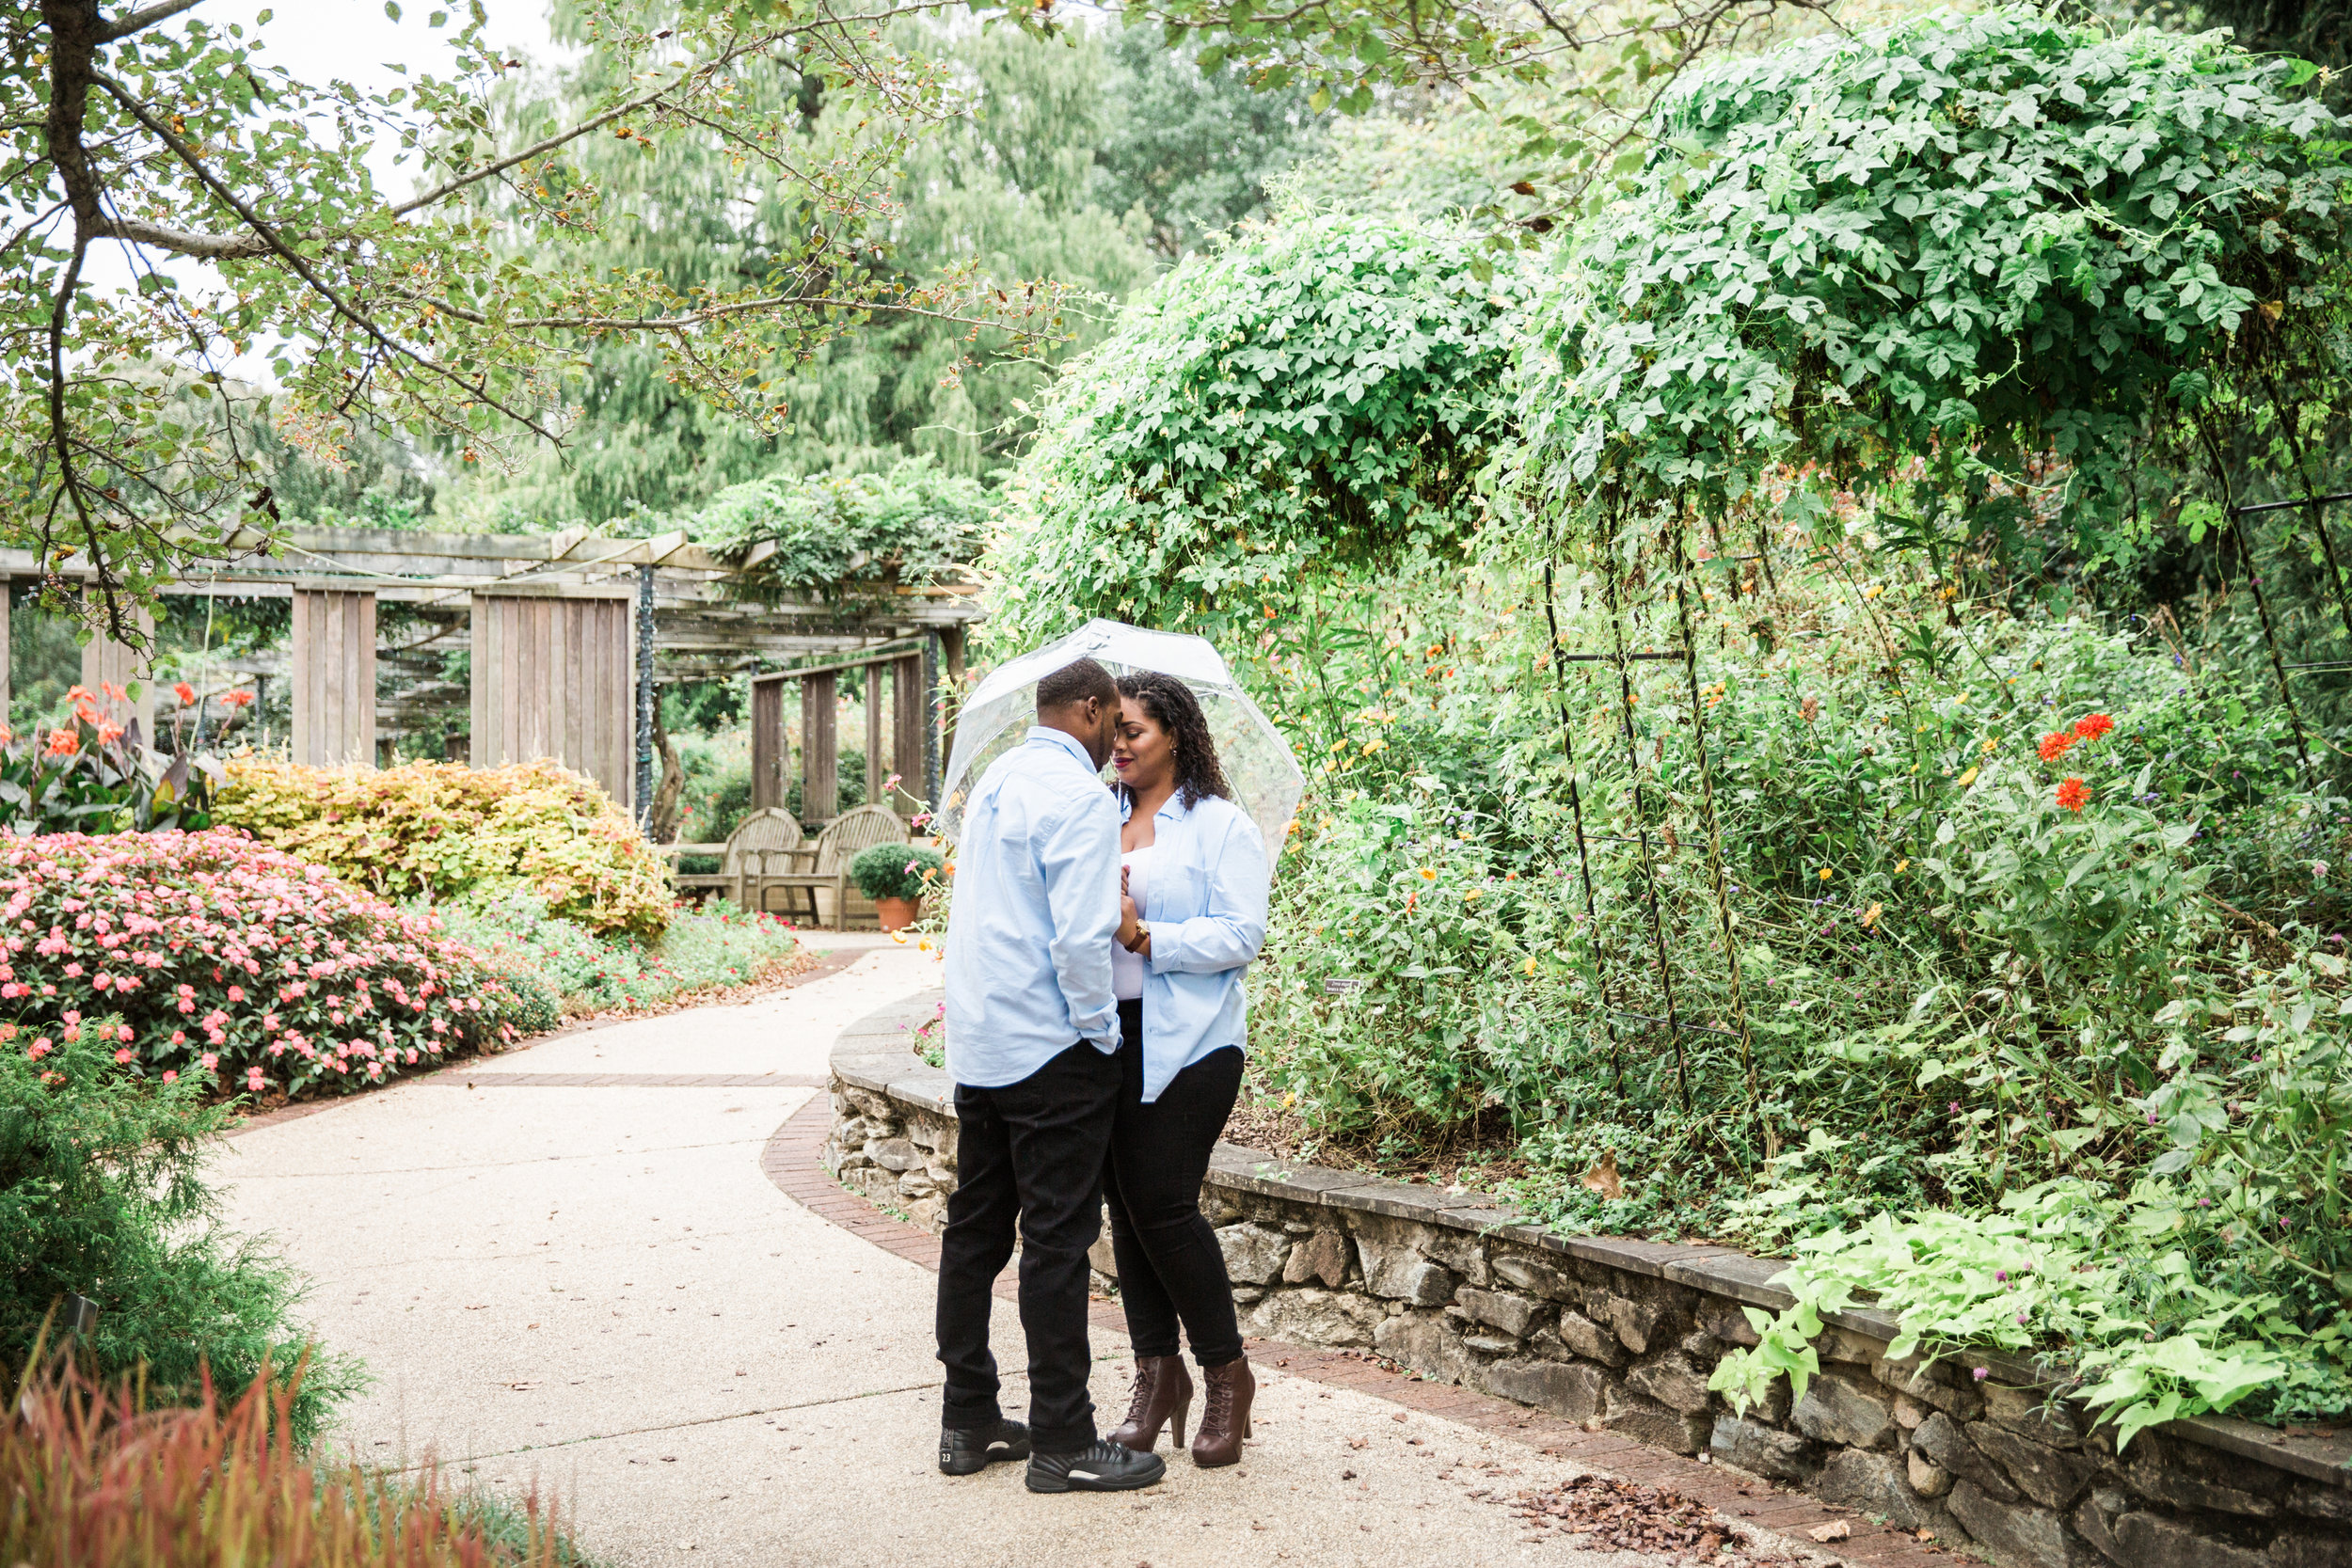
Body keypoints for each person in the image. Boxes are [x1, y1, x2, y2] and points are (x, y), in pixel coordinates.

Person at [932, 657, 1167, 1494]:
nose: (1117, 740)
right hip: (1050, 1046)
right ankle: (1064, 1438)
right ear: (1094, 708)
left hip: (984, 1039)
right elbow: (1078, 938)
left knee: (978, 1230)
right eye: (1115, 721)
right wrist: (1101, 1033)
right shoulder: (1076, 796)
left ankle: (968, 1419)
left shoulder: (999, 777)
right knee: (1059, 1242)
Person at [1097, 672, 1270, 1468]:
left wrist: (1146, 939)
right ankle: (1155, 1373)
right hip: (1105, 1034)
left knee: (1163, 1202)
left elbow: (1241, 933)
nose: (1121, 743)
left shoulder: (1219, 825)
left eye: (1134, 729)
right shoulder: (1096, 817)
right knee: (1125, 1208)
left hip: (1196, 1038)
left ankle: (1226, 1371)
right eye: (1115, 731)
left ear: (1175, 733)